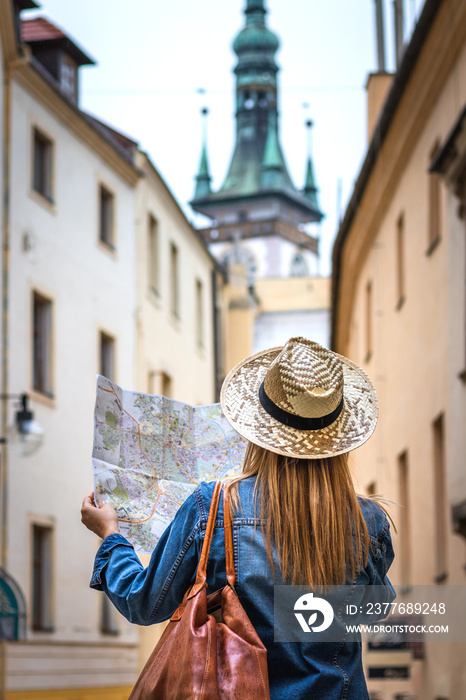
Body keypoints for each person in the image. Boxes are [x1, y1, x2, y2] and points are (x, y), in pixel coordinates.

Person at [81, 337, 395, 699]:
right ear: (337, 441)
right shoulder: (367, 521)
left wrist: (110, 537)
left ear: (258, 432)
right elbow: (374, 609)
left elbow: (144, 602)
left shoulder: (213, 506)